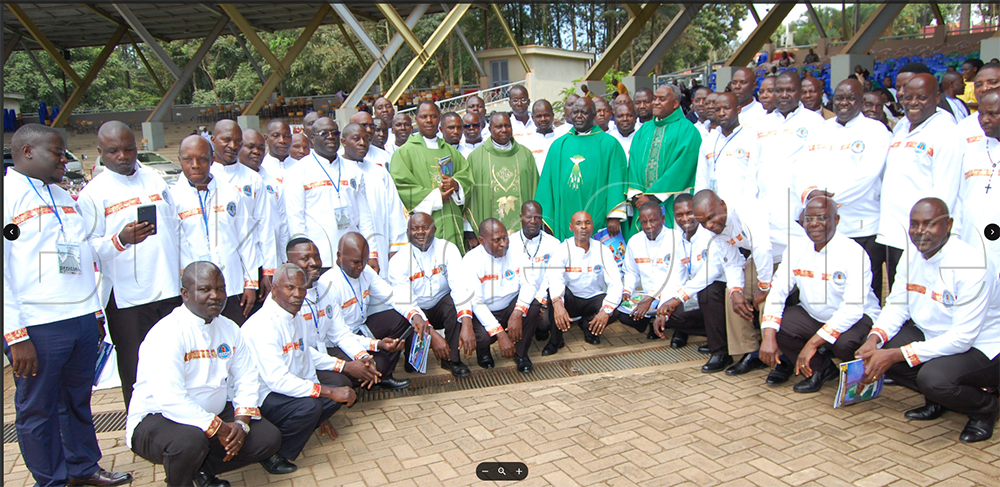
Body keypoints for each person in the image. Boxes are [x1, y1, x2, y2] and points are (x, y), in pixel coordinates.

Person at [4, 124, 133, 487]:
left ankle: (82, 468)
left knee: (76, 400)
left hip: (77, 319)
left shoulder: (63, 197)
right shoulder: (8, 198)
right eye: (57, 154)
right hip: (37, 326)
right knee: (38, 410)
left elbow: (79, 255)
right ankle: (52, 480)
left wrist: (93, 312)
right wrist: (16, 336)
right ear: (28, 152)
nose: (65, 159)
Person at [857, 198, 1000, 443]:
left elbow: (962, 338)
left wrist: (897, 354)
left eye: (930, 224)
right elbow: (897, 305)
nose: (920, 231)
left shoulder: (971, 264)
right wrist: (875, 338)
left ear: (949, 225)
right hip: (934, 335)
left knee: (933, 378)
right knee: (878, 349)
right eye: (915, 224)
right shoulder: (912, 253)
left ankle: (985, 409)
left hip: (983, 345)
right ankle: (937, 401)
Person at [127, 262, 280, 487]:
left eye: (220, 289)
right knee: (189, 443)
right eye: (205, 289)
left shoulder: (229, 328)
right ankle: (182, 479)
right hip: (158, 417)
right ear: (185, 294)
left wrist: (241, 423)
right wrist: (219, 427)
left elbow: (247, 377)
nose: (215, 296)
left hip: (214, 415)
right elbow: (171, 399)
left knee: (267, 439)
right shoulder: (167, 333)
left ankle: (200, 469)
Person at [76, 122, 180, 410]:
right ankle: (142, 422)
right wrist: (119, 240)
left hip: (169, 287)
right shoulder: (93, 194)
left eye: (129, 148)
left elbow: (176, 228)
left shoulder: (156, 180)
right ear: (100, 153)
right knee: (135, 365)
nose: (122, 155)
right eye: (113, 151)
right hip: (129, 298)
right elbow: (87, 248)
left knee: (173, 356)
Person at [241, 263, 357, 473]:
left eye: (301, 288)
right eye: (290, 288)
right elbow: (276, 380)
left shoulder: (298, 318)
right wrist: (326, 393)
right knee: (313, 405)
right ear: (274, 289)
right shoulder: (262, 326)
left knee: (330, 399)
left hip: (289, 389)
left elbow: (306, 365)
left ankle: (307, 422)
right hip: (264, 395)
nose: (297, 294)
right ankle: (274, 453)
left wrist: (324, 412)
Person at [759, 196, 880, 393]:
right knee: (778, 326)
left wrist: (812, 343)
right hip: (814, 315)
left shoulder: (853, 253)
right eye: (809, 218)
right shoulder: (796, 248)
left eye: (822, 218)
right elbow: (778, 291)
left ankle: (861, 370)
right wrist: (768, 335)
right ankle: (821, 369)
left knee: (845, 344)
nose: (814, 223)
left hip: (857, 318)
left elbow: (852, 309)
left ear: (836, 220)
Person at [795, 79, 891, 300]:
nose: (844, 103)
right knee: (829, 287)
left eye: (850, 98)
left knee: (865, 293)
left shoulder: (876, 130)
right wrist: (810, 195)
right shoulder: (821, 129)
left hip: (863, 227)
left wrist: (823, 202)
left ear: (860, 100)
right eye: (839, 98)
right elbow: (802, 169)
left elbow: (867, 176)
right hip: (824, 227)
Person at [878, 73, 962, 291]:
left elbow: (946, 190)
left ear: (936, 98)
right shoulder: (901, 127)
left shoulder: (946, 132)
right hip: (894, 230)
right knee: (899, 293)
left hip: (922, 234)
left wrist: (931, 231)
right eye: (907, 97)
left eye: (921, 97)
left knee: (922, 292)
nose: (913, 103)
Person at [170, 135, 259, 325]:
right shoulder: (172, 199)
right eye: (188, 159)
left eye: (202, 159)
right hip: (196, 290)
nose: (195, 165)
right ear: (179, 161)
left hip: (232, 285)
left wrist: (250, 283)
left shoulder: (230, 192)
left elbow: (246, 237)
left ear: (212, 159)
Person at [313, 234, 419, 388]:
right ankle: (373, 376)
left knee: (401, 318)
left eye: (364, 261)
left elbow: (391, 296)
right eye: (356, 262)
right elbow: (340, 335)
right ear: (339, 256)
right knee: (377, 364)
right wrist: (368, 352)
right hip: (336, 343)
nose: (361, 267)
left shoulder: (365, 271)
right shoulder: (328, 285)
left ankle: (382, 375)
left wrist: (415, 314)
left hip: (360, 330)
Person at [692, 190, 773, 376]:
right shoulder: (716, 227)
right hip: (761, 258)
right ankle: (750, 351)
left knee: (767, 299)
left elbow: (763, 248)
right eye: (703, 222)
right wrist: (736, 290)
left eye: (711, 217)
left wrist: (764, 287)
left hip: (788, 254)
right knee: (733, 294)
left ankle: (781, 358)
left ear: (723, 205)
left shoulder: (746, 208)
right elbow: (732, 261)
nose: (709, 225)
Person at [387, 213, 475, 377]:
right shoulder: (398, 261)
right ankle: (413, 357)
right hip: (417, 310)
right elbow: (406, 302)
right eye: (415, 228)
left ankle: (452, 359)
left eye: (425, 227)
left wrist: (467, 323)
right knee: (406, 315)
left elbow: (459, 287)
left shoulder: (448, 249)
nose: (420, 232)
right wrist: (433, 335)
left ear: (434, 229)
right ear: (407, 232)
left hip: (441, 304)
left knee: (454, 304)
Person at [284, 117, 376, 268]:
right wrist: (304, 258)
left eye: (334, 133)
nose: (331, 137)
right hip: (319, 257)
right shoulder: (298, 171)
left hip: (352, 255)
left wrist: (371, 253)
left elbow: (365, 216)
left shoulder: (353, 170)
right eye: (324, 133)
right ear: (312, 139)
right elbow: (295, 220)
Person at [755, 71, 826, 262]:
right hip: (765, 209)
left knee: (800, 265)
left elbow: (822, 166)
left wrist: (810, 205)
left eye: (790, 90)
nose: (784, 95)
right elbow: (753, 166)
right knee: (769, 268)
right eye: (779, 90)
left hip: (797, 209)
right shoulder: (762, 123)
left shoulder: (815, 122)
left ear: (800, 92)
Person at [535, 96, 628, 241]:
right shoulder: (559, 145)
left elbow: (617, 178)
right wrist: (546, 217)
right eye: (575, 112)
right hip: (564, 213)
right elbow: (547, 183)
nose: (579, 116)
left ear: (593, 114)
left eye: (584, 112)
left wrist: (614, 215)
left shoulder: (609, 144)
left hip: (598, 213)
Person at [653, 194, 729, 369]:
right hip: (697, 295)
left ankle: (720, 352)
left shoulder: (710, 234)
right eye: (679, 215)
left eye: (690, 213)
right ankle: (716, 332)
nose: (685, 219)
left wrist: (679, 297)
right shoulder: (680, 242)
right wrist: (663, 309)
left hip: (722, 292)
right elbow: (675, 277)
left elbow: (712, 272)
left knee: (708, 292)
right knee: (671, 316)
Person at [390, 101, 474, 253]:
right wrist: (437, 197)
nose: (429, 120)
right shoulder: (404, 152)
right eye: (424, 116)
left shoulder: (449, 150)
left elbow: (466, 175)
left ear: (439, 118)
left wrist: (456, 184)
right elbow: (402, 187)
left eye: (433, 116)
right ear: (416, 119)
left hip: (451, 219)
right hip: (424, 225)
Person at [457, 219, 539, 372]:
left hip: (510, 307)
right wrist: (501, 335)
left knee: (533, 306)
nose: (503, 244)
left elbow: (530, 284)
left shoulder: (518, 251)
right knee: (482, 337)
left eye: (505, 237)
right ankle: (484, 352)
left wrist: (517, 312)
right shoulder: (471, 260)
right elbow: (476, 302)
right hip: (485, 310)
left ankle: (521, 353)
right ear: (481, 240)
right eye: (496, 240)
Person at [210, 120, 276, 304]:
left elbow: (265, 225)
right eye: (226, 140)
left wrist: (267, 271)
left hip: (253, 265)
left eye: (238, 141)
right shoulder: (206, 177)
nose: (233, 146)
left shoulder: (252, 179)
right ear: (213, 140)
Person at [543, 211, 623, 355]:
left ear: (592, 226)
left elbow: (615, 283)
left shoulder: (602, 250)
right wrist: (558, 305)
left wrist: (606, 311)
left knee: (614, 311)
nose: (583, 227)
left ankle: (589, 328)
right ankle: (555, 340)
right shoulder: (562, 249)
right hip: (571, 299)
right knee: (554, 296)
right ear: (571, 227)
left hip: (593, 299)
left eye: (587, 222)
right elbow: (555, 278)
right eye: (578, 223)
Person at [625, 84, 701, 233]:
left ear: (675, 104)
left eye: (662, 99)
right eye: (655, 99)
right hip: (642, 205)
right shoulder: (644, 130)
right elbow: (633, 163)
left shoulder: (688, 130)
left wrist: (652, 197)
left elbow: (682, 168)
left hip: (671, 203)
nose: (656, 102)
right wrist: (637, 196)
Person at [339, 123, 408, 277]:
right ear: (344, 141)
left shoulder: (379, 171)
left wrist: (395, 247)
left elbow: (395, 211)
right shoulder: (337, 172)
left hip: (380, 244)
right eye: (356, 139)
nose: (362, 143)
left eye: (365, 139)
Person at [466, 112, 539, 234]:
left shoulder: (525, 155)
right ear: (489, 129)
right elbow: (471, 197)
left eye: (507, 126)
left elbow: (535, 189)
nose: (504, 130)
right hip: (490, 233)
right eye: (498, 127)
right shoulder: (476, 157)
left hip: (524, 232)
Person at [619, 202, 682, 339]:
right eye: (644, 222)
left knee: (679, 315)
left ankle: (680, 331)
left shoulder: (676, 239)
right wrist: (627, 291)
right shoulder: (635, 241)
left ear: (663, 219)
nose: (648, 226)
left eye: (653, 220)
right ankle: (650, 322)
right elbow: (631, 271)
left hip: (672, 293)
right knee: (623, 314)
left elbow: (674, 277)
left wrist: (651, 297)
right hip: (648, 296)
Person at [956, 88, 1000, 275]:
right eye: (981, 113)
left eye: (992, 113)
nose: (984, 119)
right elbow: (960, 195)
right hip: (972, 242)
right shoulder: (971, 148)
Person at [506, 201, 561, 343]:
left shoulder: (553, 243)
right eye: (528, 217)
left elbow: (553, 276)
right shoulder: (509, 244)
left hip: (544, 296)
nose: (533, 221)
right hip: (517, 296)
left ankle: (546, 333)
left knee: (545, 323)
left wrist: (540, 299)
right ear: (520, 217)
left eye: (537, 217)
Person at [695, 92, 760, 211]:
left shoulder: (751, 138)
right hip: (714, 211)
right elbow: (701, 179)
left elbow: (754, 179)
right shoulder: (709, 141)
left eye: (726, 108)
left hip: (743, 208)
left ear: (738, 109)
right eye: (717, 109)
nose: (721, 113)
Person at [242, 128, 290, 266]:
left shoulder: (273, 183)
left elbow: (282, 225)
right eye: (250, 147)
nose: (256, 152)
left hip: (272, 258)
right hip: (245, 259)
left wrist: (284, 260)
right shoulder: (229, 184)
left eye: (261, 148)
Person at [519, 99, 559, 174]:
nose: (543, 119)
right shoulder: (525, 142)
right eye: (539, 116)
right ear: (533, 118)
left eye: (547, 115)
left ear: (553, 116)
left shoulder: (561, 138)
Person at [261, 118, 294, 184]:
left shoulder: (301, 166)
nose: (282, 140)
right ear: (266, 138)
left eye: (287, 136)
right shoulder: (261, 168)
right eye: (276, 136)